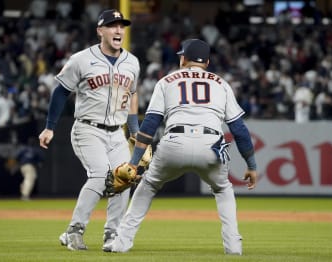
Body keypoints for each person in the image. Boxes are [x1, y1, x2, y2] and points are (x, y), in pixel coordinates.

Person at [104, 39, 257, 255]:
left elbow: (149, 125)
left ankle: (121, 243)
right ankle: (233, 247)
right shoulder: (221, 84)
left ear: (184, 58)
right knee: (223, 189)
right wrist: (251, 164)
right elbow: (239, 129)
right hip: (210, 145)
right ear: (208, 62)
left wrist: (134, 162)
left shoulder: (166, 81)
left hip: (174, 142)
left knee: (147, 186)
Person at [38, 9, 140, 251]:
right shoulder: (81, 59)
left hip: (117, 132)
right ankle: (74, 230)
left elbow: (132, 95)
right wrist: (49, 127)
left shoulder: (132, 62)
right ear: (100, 31)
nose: (118, 30)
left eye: (121, 26)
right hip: (87, 128)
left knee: (123, 179)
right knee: (100, 174)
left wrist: (134, 130)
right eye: (112, 25)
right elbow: (61, 91)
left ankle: (112, 234)